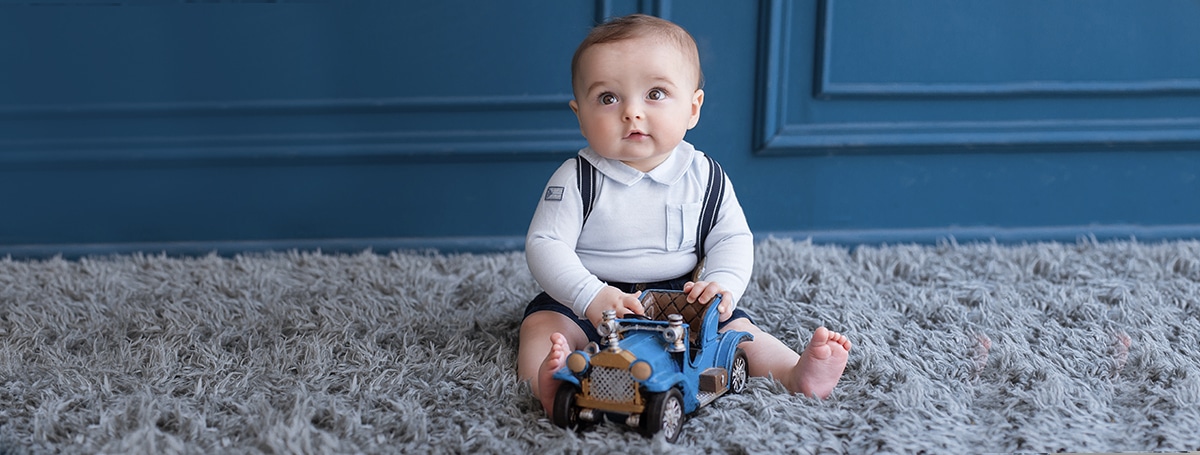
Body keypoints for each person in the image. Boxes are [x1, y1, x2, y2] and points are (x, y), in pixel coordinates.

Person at [517, 13, 851, 418]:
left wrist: (721, 285)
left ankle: (794, 372)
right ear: (580, 116)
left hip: (680, 296)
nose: (631, 112)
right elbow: (545, 244)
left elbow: (731, 238)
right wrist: (588, 295)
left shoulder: (705, 176)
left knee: (737, 334)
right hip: (590, 294)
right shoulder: (577, 178)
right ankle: (549, 385)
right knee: (543, 329)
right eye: (608, 98)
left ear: (693, 108)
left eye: (655, 94)